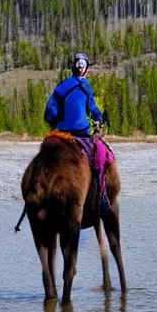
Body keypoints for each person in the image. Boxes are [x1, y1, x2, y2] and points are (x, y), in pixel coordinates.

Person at [44, 53, 112, 211]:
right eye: (81, 64)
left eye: (82, 64)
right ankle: (102, 198)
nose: (81, 67)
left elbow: (49, 110)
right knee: (99, 157)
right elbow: (93, 109)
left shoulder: (62, 86)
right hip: (81, 133)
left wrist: (57, 121)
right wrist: (101, 118)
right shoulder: (85, 86)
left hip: (60, 133)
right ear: (85, 68)